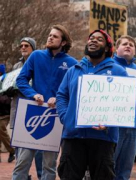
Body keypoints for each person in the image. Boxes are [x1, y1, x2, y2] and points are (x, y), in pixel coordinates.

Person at [56, 29, 127, 180]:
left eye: (99, 39)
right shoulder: (73, 70)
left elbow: (125, 103)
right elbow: (62, 95)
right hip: (73, 137)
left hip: (103, 139)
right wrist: (65, 118)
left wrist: (109, 123)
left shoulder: (118, 71)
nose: (93, 40)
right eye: (91, 38)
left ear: (107, 48)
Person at [12, 24, 78, 180]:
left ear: (63, 42)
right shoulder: (36, 56)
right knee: (22, 162)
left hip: (54, 117)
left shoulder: (72, 63)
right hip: (33, 112)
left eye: (55, 36)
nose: (50, 37)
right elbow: (21, 80)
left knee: (49, 165)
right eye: (50, 35)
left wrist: (60, 98)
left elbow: (74, 89)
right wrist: (33, 94)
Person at [6, 37, 43, 180]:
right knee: (19, 152)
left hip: (35, 111)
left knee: (39, 149)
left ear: (33, 48)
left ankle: (41, 176)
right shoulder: (16, 66)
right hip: (17, 109)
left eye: (26, 45)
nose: (23, 48)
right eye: (21, 45)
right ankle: (24, 176)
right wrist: (7, 90)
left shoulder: (39, 63)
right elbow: (12, 83)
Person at [112, 35, 136, 180]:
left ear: (135, 51)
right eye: (124, 44)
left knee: (125, 170)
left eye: (131, 44)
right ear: (116, 48)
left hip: (133, 127)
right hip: (114, 125)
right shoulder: (109, 66)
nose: (128, 46)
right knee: (108, 167)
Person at [0, 64, 15, 163]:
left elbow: (9, 96)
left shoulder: (7, 80)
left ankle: (12, 150)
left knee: (1, 128)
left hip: (4, 112)